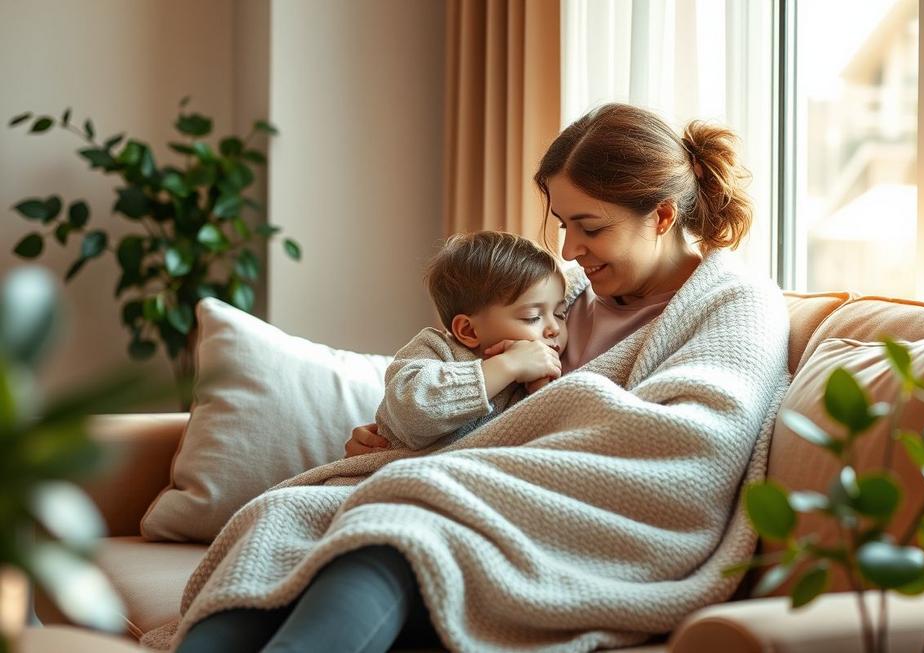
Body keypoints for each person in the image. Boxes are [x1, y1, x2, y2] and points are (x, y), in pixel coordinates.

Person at [163, 104, 789, 653]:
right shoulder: (560, 296)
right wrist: (407, 447)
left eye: (590, 227)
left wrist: (455, 464)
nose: (569, 249)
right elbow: (463, 389)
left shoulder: (737, 303)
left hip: (582, 528)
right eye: (563, 224)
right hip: (477, 492)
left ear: (661, 215)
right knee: (283, 517)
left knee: (393, 534)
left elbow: (689, 456)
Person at [377, 231, 568, 451]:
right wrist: (509, 364)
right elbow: (411, 409)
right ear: (468, 330)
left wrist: (541, 391)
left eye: (561, 314)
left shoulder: (535, 379)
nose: (555, 328)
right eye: (532, 317)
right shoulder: (435, 349)